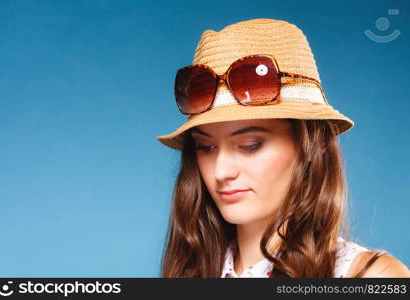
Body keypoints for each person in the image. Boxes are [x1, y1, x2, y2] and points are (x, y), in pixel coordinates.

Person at [156, 18, 410, 278]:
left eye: (249, 145)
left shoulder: (371, 276)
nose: (221, 172)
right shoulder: (190, 271)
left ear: (312, 145)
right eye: (206, 147)